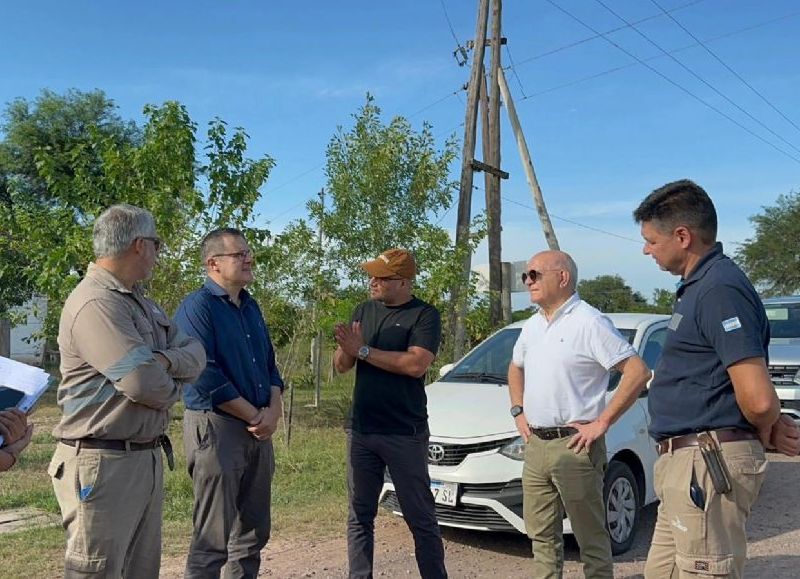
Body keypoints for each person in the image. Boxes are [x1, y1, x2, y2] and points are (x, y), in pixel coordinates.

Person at [633, 179, 800, 578]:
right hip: (688, 463)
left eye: (651, 240)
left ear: (683, 236)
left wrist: (764, 424)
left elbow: (758, 399)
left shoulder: (718, 289)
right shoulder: (698, 288)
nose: (646, 250)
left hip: (704, 462)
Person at [49, 203, 206, 578]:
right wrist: (166, 374)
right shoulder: (95, 303)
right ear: (139, 245)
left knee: (140, 570)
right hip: (102, 463)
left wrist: (163, 361)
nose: (158, 253)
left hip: (141, 458)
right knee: (98, 571)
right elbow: (141, 383)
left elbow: (196, 353)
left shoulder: (141, 303)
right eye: (157, 244)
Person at [507, 249, 651, 578]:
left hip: (575, 446)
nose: (528, 281)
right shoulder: (532, 325)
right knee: (541, 537)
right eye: (526, 276)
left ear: (563, 277)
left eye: (534, 274)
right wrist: (518, 411)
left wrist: (602, 422)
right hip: (536, 445)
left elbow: (637, 372)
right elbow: (515, 368)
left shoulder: (589, 321)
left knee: (590, 538)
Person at [174, 228, 284, 579]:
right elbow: (203, 372)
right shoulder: (197, 307)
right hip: (217, 427)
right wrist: (255, 414)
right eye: (239, 254)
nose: (249, 258)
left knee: (253, 533)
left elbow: (269, 364)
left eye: (248, 253)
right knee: (213, 538)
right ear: (214, 263)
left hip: (258, 430)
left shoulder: (250, 306)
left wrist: (274, 410)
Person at [333, 248, 447, 579]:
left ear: (402, 281)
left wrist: (364, 350)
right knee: (359, 514)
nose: (372, 282)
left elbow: (415, 365)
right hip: (362, 431)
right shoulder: (363, 310)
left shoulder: (424, 315)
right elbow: (341, 367)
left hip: (403, 432)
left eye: (380, 277)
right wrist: (347, 349)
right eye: (371, 275)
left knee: (419, 516)